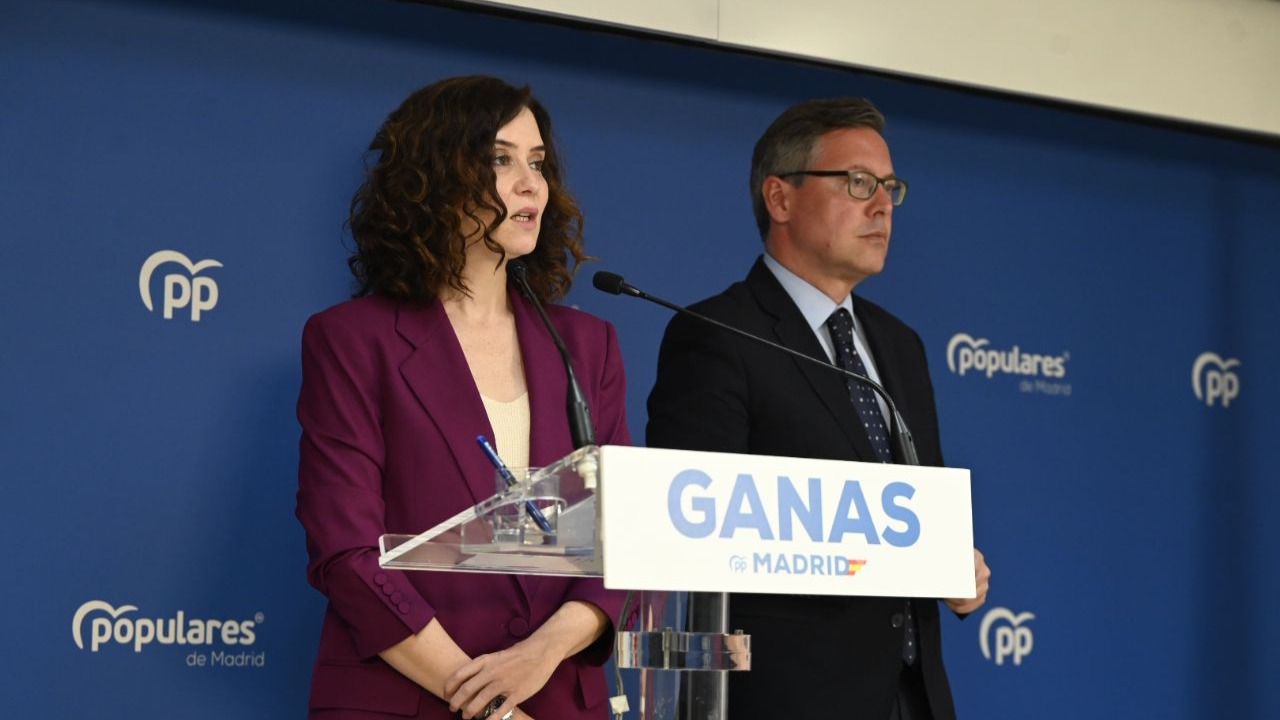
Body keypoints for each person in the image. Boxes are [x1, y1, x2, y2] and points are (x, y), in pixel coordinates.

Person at [296, 76, 629, 720]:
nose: (532, 185)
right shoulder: (352, 340)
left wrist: (541, 655)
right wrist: (491, 704)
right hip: (410, 697)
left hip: (557, 697)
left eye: (537, 163)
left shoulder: (588, 345)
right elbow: (347, 553)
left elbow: (620, 536)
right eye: (501, 160)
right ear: (435, 177)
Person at [646, 97, 991, 720]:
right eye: (858, 183)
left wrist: (950, 565)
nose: (882, 204)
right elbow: (693, 539)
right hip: (787, 698)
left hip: (913, 697)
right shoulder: (717, 334)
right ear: (780, 199)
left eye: (889, 187)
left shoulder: (900, 345)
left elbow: (912, 506)